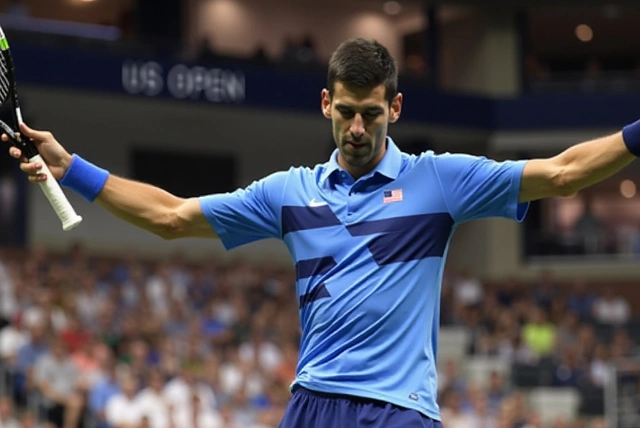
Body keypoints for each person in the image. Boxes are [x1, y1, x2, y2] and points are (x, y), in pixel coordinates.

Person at [3, 37, 639, 428]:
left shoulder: (441, 182)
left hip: (399, 413)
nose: (356, 129)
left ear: (394, 108)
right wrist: (72, 167)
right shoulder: (288, 193)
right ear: (325, 105)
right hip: (313, 404)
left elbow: (561, 174)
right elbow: (171, 217)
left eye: (370, 114)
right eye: (345, 112)